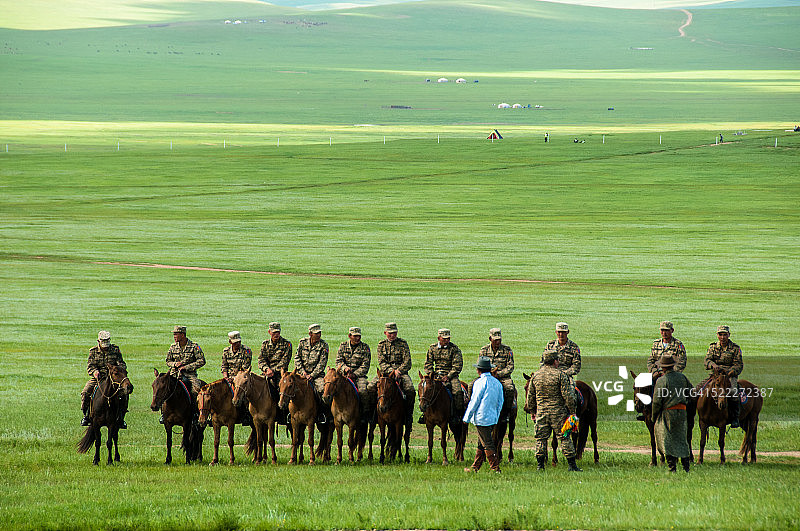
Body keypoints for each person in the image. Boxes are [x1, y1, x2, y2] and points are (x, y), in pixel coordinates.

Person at [526, 348, 581, 472]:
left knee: (541, 439)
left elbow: (531, 396)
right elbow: (568, 396)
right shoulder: (560, 375)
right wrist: (572, 412)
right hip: (558, 413)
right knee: (565, 437)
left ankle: (540, 465)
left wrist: (532, 411)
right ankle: (572, 465)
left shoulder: (536, 376)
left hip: (541, 413)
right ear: (555, 361)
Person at [367, 322, 416, 426]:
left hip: (401, 373)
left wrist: (399, 371)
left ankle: (408, 415)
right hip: (385, 373)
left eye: (394, 333)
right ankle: (372, 414)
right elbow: (381, 362)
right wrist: (391, 371)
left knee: (410, 389)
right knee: (371, 387)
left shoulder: (403, 344)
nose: (392, 335)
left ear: (397, 332)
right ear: (385, 333)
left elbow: (407, 361)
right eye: (389, 333)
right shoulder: (381, 345)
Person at [651, 354, 692, 472]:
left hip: (668, 413)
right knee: (681, 439)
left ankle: (672, 467)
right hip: (682, 412)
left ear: (663, 368)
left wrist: (654, 416)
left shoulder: (662, 380)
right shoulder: (682, 377)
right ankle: (686, 467)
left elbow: (657, 401)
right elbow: (691, 392)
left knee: (667, 439)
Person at [463, 356, 504, 473]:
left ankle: (495, 468)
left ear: (478, 370)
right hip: (492, 417)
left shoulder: (479, 383)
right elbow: (500, 402)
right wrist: (496, 415)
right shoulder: (497, 383)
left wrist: (467, 417)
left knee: (487, 443)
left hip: (481, 417)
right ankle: (475, 467)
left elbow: (474, 401)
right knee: (481, 442)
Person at [640, 321, 686, 421]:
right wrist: (654, 372)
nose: (664, 333)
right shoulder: (656, 344)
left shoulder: (678, 345)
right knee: (641, 387)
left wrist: (669, 373)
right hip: (656, 374)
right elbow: (651, 360)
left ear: (672, 331)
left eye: (667, 330)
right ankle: (645, 411)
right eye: (662, 330)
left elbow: (681, 362)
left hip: (672, 374)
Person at [81, 331, 128, 428]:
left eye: (107, 342)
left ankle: (121, 418)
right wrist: (94, 372)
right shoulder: (93, 351)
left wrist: (117, 370)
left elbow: (122, 364)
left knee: (124, 393)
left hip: (113, 378)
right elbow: (90, 366)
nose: (105, 345)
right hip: (99, 377)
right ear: (98, 341)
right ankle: (86, 415)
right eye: (103, 342)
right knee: (86, 391)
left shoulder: (115, 350)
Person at [164, 325, 205, 424]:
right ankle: (164, 414)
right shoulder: (173, 347)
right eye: (174, 334)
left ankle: (195, 413)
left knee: (196, 390)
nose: (174, 336)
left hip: (189, 375)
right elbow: (168, 361)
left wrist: (186, 367)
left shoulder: (194, 346)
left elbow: (201, 361)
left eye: (176, 334)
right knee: (164, 389)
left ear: (183, 335)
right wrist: (175, 364)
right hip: (174, 374)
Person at [704, 325, 743, 428]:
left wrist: (730, 372)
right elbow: (707, 360)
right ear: (717, 335)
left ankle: (735, 417)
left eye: (724, 335)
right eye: (720, 334)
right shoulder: (712, 347)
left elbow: (739, 365)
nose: (722, 337)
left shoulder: (735, 348)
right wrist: (713, 365)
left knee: (734, 392)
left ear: (728, 335)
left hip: (729, 376)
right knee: (699, 389)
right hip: (715, 375)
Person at [422, 328, 464, 423]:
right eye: (444, 339)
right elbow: (428, 363)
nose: (446, 341)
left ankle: (457, 416)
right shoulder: (432, 348)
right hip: (435, 375)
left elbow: (457, 366)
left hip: (450, 376)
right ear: (439, 338)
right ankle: (425, 414)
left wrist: (448, 376)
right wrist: (431, 374)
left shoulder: (454, 349)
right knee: (425, 391)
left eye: (448, 338)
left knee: (458, 392)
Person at [476, 328, 515, 422]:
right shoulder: (484, 350)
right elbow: (479, 365)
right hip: (487, 376)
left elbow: (510, 366)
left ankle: (506, 413)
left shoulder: (507, 350)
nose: (498, 342)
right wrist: (488, 374)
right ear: (490, 339)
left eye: (499, 340)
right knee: (471, 386)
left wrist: (499, 374)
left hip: (502, 377)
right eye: (495, 340)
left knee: (510, 389)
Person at [335, 327, 372, 424]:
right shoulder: (343, 346)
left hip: (359, 376)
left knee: (363, 391)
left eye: (359, 336)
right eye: (355, 336)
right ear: (349, 336)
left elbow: (365, 365)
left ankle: (365, 413)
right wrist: (345, 368)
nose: (357, 338)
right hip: (344, 375)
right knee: (331, 388)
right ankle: (331, 414)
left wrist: (355, 374)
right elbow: (338, 361)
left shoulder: (365, 347)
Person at [258, 322, 292, 423]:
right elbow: (261, 359)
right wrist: (266, 369)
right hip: (267, 373)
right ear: (269, 332)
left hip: (280, 374)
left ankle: (284, 414)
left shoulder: (287, 344)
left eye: (277, 332)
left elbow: (285, 361)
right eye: (273, 333)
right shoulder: (265, 344)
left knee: (284, 391)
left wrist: (273, 371)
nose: (276, 334)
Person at [295, 323, 329, 423]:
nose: (318, 335)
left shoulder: (323, 345)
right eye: (316, 333)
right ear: (310, 334)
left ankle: (322, 414)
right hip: (302, 374)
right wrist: (303, 373)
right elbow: (297, 358)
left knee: (322, 390)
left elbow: (322, 363)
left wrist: (312, 375)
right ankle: (290, 414)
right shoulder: (302, 342)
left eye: (319, 333)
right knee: (288, 388)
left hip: (317, 376)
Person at [221, 331, 252, 426]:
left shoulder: (246, 350)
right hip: (228, 378)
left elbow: (245, 368)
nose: (237, 344)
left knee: (245, 395)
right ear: (230, 342)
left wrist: (234, 379)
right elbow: (224, 366)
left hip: (241, 378)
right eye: (235, 342)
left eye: (239, 342)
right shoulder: (226, 351)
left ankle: (247, 415)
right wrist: (226, 377)